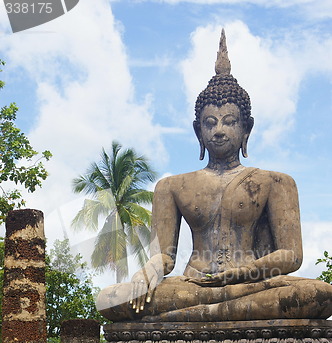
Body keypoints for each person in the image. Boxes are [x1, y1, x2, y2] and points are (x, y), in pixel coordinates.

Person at [96, 30, 332, 323]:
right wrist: (149, 271)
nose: (219, 130)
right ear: (199, 131)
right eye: (210, 123)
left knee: (320, 295)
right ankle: (213, 311)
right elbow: (166, 257)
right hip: (194, 285)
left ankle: (195, 316)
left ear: (247, 129)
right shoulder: (171, 187)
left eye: (230, 122)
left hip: (252, 284)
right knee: (109, 300)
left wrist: (242, 273)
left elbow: (291, 255)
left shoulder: (276, 182)